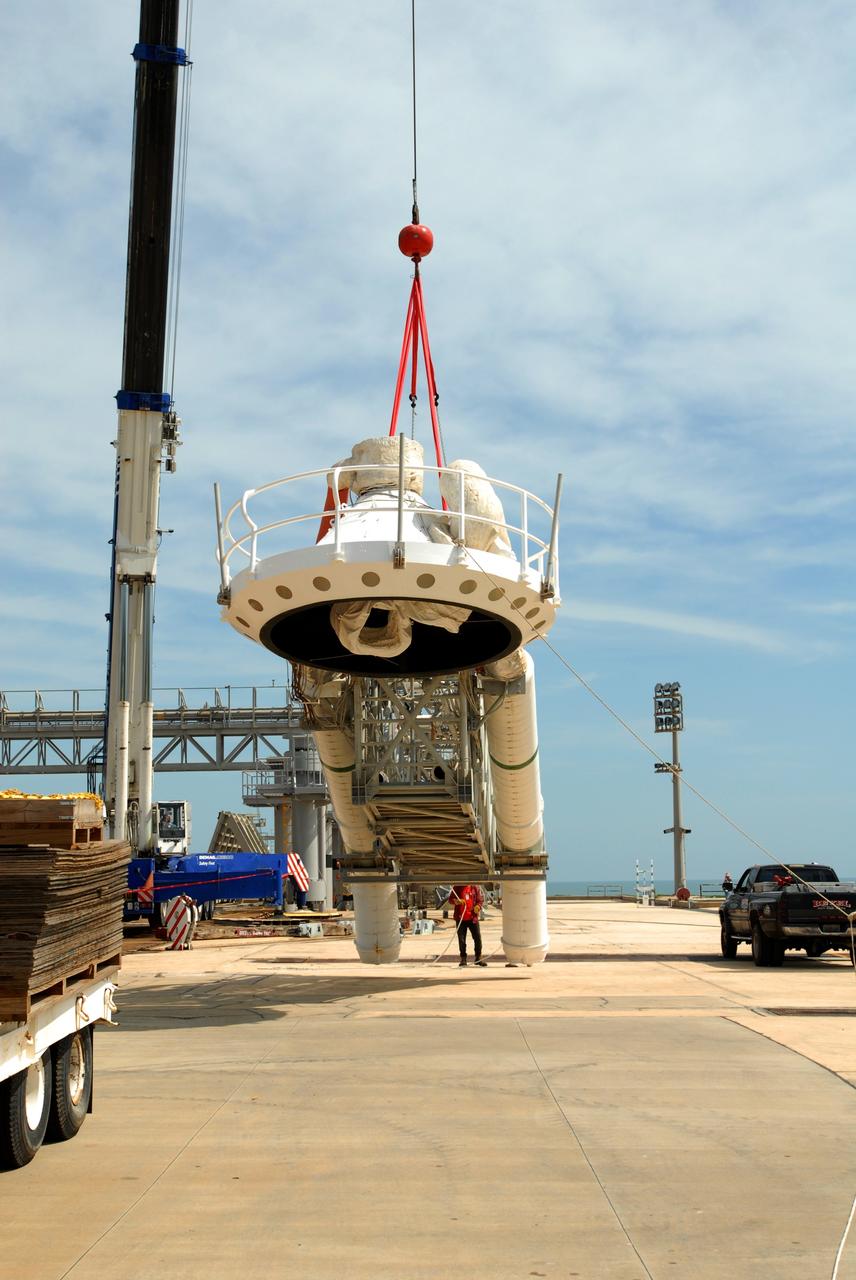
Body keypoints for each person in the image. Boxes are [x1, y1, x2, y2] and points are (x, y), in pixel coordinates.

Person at [448, 884, 486, 967]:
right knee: (461, 939)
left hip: (472, 918)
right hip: (460, 918)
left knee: (477, 937)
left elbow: (480, 900)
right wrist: (456, 901)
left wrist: (478, 906)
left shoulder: (474, 887)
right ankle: (463, 958)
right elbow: (450, 900)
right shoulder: (457, 887)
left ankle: (478, 957)